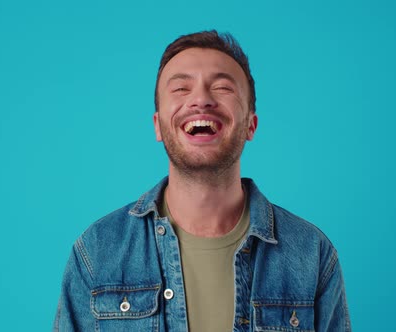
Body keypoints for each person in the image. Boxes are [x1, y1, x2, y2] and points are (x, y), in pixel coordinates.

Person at [53, 30, 351, 332]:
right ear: (158, 125)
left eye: (222, 87)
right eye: (181, 88)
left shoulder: (311, 254)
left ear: (251, 124)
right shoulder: (97, 252)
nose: (201, 99)